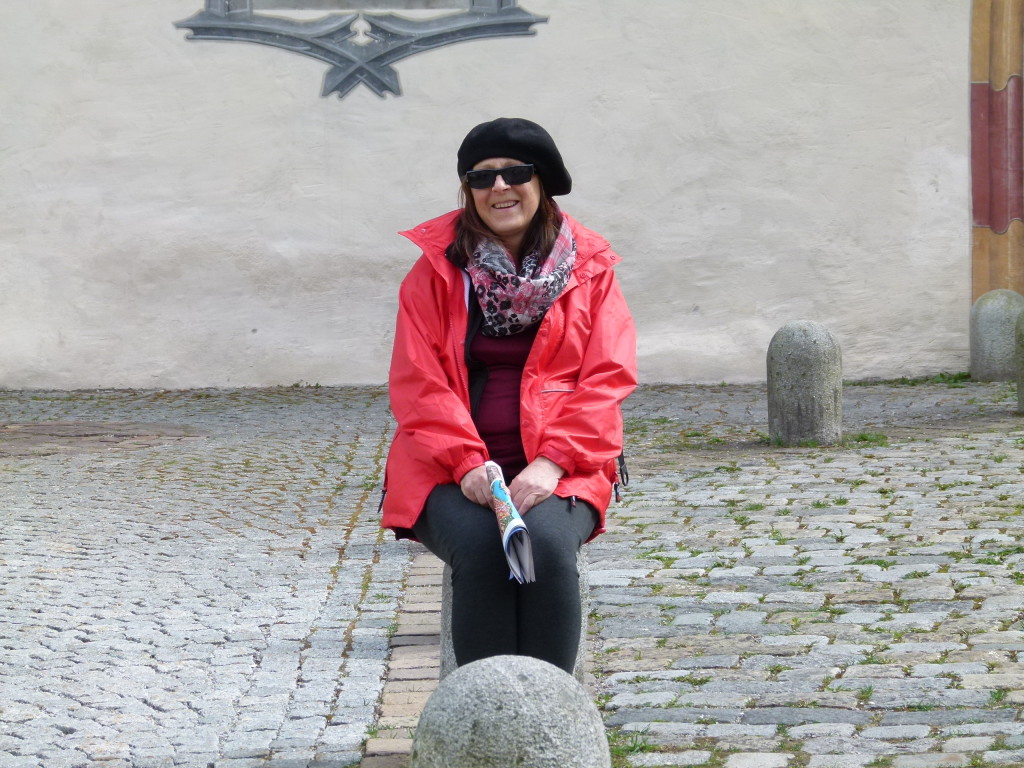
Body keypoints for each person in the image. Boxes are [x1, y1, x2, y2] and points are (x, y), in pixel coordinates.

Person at [382, 117, 637, 673]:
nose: (499, 188)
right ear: (467, 191)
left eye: (515, 173)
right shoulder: (433, 274)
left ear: (542, 183)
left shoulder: (590, 271)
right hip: (448, 467)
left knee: (543, 548)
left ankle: (548, 718)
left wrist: (552, 463)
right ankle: (485, 725)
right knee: (479, 549)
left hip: (565, 463)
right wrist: (468, 463)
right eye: (481, 177)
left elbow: (606, 378)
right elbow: (418, 385)